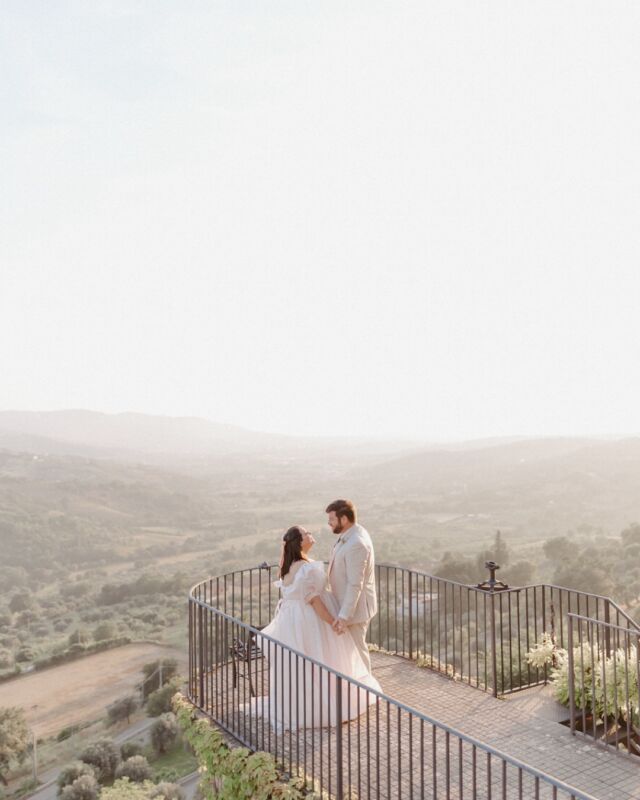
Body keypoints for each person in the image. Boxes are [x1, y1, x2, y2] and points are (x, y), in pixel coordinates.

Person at [243, 524, 380, 731]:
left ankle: (300, 705)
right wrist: (332, 622)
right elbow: (315, 601)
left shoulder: (289, 565)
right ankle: (323, 706)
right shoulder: (305, 568)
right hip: (311, 620)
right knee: (321, 657)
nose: (311, 535)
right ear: (299, 542)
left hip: (293, 620)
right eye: (307, 533)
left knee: (305, 664)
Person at [325, 499, 377, 674]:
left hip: (355, 609)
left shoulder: (357, 543)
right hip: (346, 604)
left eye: (332, 519)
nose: (329, 523)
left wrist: (344, 615)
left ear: (344, 519)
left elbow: (355, 584)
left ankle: (367, 690)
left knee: (357, 651)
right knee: (350, 651)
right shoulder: (351, 534)